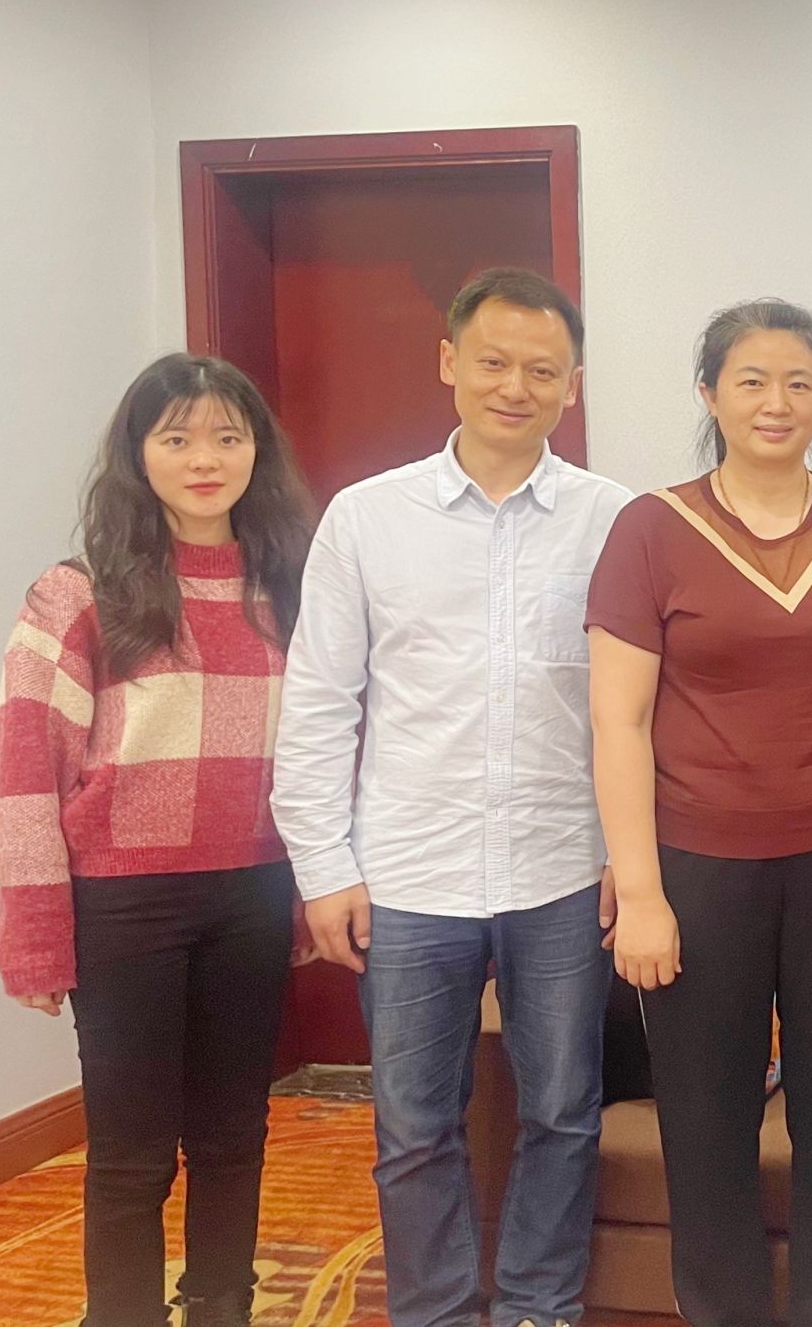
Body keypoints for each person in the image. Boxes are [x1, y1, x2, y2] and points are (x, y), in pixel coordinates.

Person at [272, 268, 632, 1327]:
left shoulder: (615, 520)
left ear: (572, 384)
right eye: (493, 362)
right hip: (408, 874)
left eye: (541, 370)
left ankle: (536, 1308)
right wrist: (323, 867)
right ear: (449, 363)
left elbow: (638, 710)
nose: (515, 387)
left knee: (563, 1112)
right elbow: (318, 702)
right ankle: (431, 1313)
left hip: (563, 868)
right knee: (413, 1125)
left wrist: (631, 854)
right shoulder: (366, 519)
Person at [0, 354, 315, 1327]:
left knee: (233, 1134)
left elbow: (324, 753)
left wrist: (314, 892)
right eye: (177, 438)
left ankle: (220, 1305)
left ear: (257, 451)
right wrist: (33, 933)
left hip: (253, 893)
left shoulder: (291, 587)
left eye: (227, 436)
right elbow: (24, 774)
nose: (204, 459)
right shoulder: (78, 593)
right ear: (139, 454)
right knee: (132, 1151)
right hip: (124, 905)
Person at [590, 299, 812, 1327]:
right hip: (695, 866)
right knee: (706, 1117)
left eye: (799, 382)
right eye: (751, 381)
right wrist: (640, 893)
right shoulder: (650, 529)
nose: (776, 402)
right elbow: (619, 722)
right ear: (709, 394)